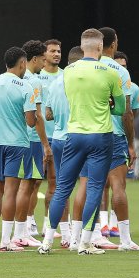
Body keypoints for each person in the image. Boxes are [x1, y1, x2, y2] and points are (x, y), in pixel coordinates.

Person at [37, 30, 124, 255]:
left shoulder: (67, 73)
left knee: (62, 188)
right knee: (94, 187)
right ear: (100, 45)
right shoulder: (110, 72)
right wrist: (109, 104)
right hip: (100, 135)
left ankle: (47, 242)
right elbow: (121, 109)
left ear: (82, 46)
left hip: (73, 135)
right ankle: (85, 242)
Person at [0, 47, 39, 252]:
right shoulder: (25, 86)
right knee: (11, 191)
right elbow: (31, 122)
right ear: (22, 63)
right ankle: (6, 242)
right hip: (17, 144)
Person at [96, 28, 139, 250]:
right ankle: (124, 240)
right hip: (114, 135)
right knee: (118, 185)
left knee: (89, 185)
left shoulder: (81, 68)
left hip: (87, 134)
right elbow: (127, 112)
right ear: (113, 44)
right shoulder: (121, 72)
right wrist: (131, 144)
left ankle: (88, 236)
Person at [42, 45, 83, 246]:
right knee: (87, 185)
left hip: (58, 138)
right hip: (78, 137)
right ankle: (78, 238)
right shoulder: (83, 80)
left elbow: (47, 114)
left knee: (61, 188)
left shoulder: (56, 82)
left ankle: (58, 236)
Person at [15, 40, 52, 248]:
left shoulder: (16, 79)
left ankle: (20, 231)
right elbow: (37, 116)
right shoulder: (34, 81)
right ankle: (22, 232)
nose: (44, 65)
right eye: (43, 60)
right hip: (32, 140)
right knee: (26, 186)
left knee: (23, 185)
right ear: (36, 59)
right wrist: (46, 144)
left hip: (18, 139)